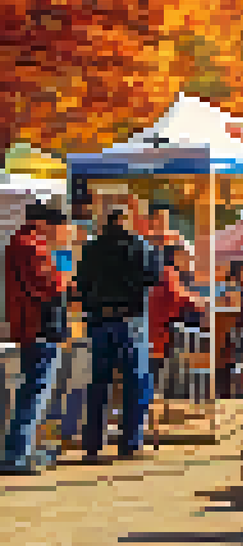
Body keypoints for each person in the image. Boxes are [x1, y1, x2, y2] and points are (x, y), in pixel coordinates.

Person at [78, 205, 162, 463]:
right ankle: (130, 443)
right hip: (130, 320)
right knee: (135, 383)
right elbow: (153, 277)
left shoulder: (91, 249)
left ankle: (93, 444)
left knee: (99, 383)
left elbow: (81, 284)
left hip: (99, 321)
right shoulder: (140, 246)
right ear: (128, 222)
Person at [1, 203, 72, 474]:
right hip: (40, 327)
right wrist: (65, 267)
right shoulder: (33, 246)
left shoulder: (18, 243)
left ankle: (19, 452)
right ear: (45, 224)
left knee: (31, 390)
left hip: (29, 326)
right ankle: (16, 456)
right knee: (34, 392)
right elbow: (53, 284)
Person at [147, 244, 203, 410]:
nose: (190, 261)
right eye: (187, 257)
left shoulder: (164, 273)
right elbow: (180, 299)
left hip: (154, 335)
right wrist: (201, 303)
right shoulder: (168, 274)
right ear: (177, 257)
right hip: (161, 337)